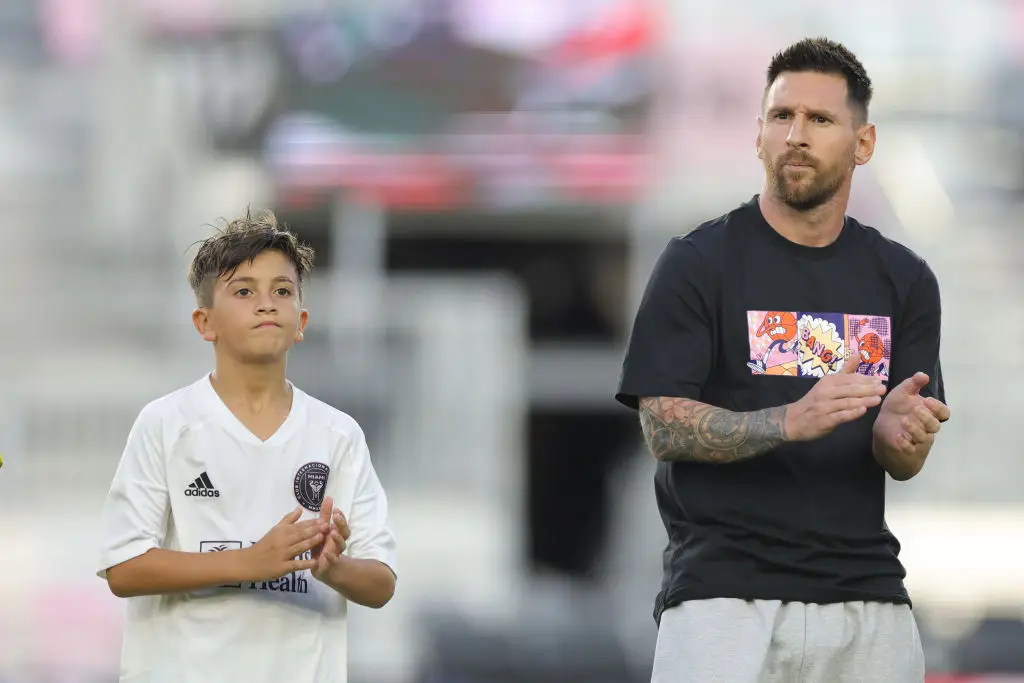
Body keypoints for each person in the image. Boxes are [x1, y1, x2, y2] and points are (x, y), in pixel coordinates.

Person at [616, 37, 950, 683]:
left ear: (864, 143)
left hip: (867, 597)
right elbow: (662, 426)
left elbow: (903, 456)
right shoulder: (699, 261)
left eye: (820, 119)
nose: (796, 134)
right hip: (724, 597)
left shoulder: (903, 277)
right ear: (759, 133)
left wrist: (898, 436)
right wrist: (788, 421)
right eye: (781, 116)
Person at [97, 210, 397, 683]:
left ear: (300, 321)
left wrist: (333, 568)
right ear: (205, 322)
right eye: (244, 291)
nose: (266, 304)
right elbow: (125, 568)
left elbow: (380, 582)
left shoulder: (337, 434)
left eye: (282, 290)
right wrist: (249, 561)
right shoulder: (166, 424)